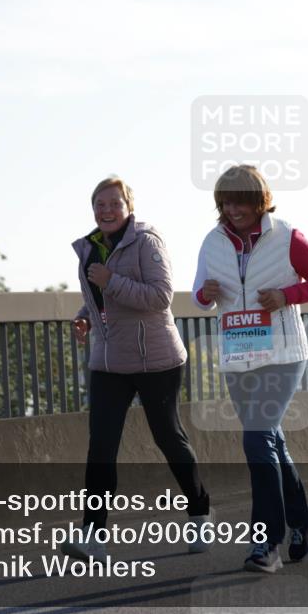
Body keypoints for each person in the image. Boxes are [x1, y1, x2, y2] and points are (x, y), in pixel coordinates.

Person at [192, 165, 308, 573]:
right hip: (238, 356)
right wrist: (205, 294)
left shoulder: (287, 236)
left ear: (259, 200)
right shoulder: (212, 241)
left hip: (283, 355)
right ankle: (302, 518)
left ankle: (266, 543)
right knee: (270, 440)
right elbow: (199, 293)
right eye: (225, 202)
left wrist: (286, 295)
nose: (232, 210)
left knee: (256, 440)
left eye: (239, 201)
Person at [63, 176, 213, 562]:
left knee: (168, 438)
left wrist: (112, 280)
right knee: (101, 446)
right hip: (109, 360)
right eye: (100, 205)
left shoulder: (147, 242)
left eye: (115, 203)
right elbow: (98, 297)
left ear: (129, 207)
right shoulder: (90, 246)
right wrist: (85, 316)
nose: (107, 211)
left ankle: (199, 513)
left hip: (155, 360)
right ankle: (93, 535)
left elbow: (160, 297)